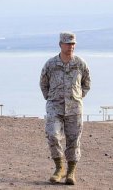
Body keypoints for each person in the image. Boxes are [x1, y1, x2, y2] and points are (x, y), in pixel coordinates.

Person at [40, 31, 91, 185]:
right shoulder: (51, 64)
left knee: (74, 140)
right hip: (54, 107)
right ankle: (59, 168)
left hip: (74, 108)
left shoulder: (80, 63)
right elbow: (43, 83)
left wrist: (77, 97)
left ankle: (71, 172)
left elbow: (86, 83)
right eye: (68, 43)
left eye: (73, 43)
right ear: (60, 44)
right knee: (53, 135)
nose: (71, 46)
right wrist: (51, 98)